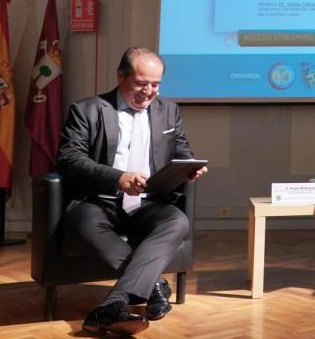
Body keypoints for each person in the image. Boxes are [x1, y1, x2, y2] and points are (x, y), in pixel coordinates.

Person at [57, 47, 207, 336]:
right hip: (99, 201)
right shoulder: (87, 110)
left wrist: (189, 166)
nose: (149, 92)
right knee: (82, 222)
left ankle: (112, 305)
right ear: (121, 76)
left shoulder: (168, 110)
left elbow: (181, 149)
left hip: (149, 201)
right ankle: (154, 285)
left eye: (155, 84)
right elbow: (69, 160)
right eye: (141, 84)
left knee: (177, 221)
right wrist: (118, 178)